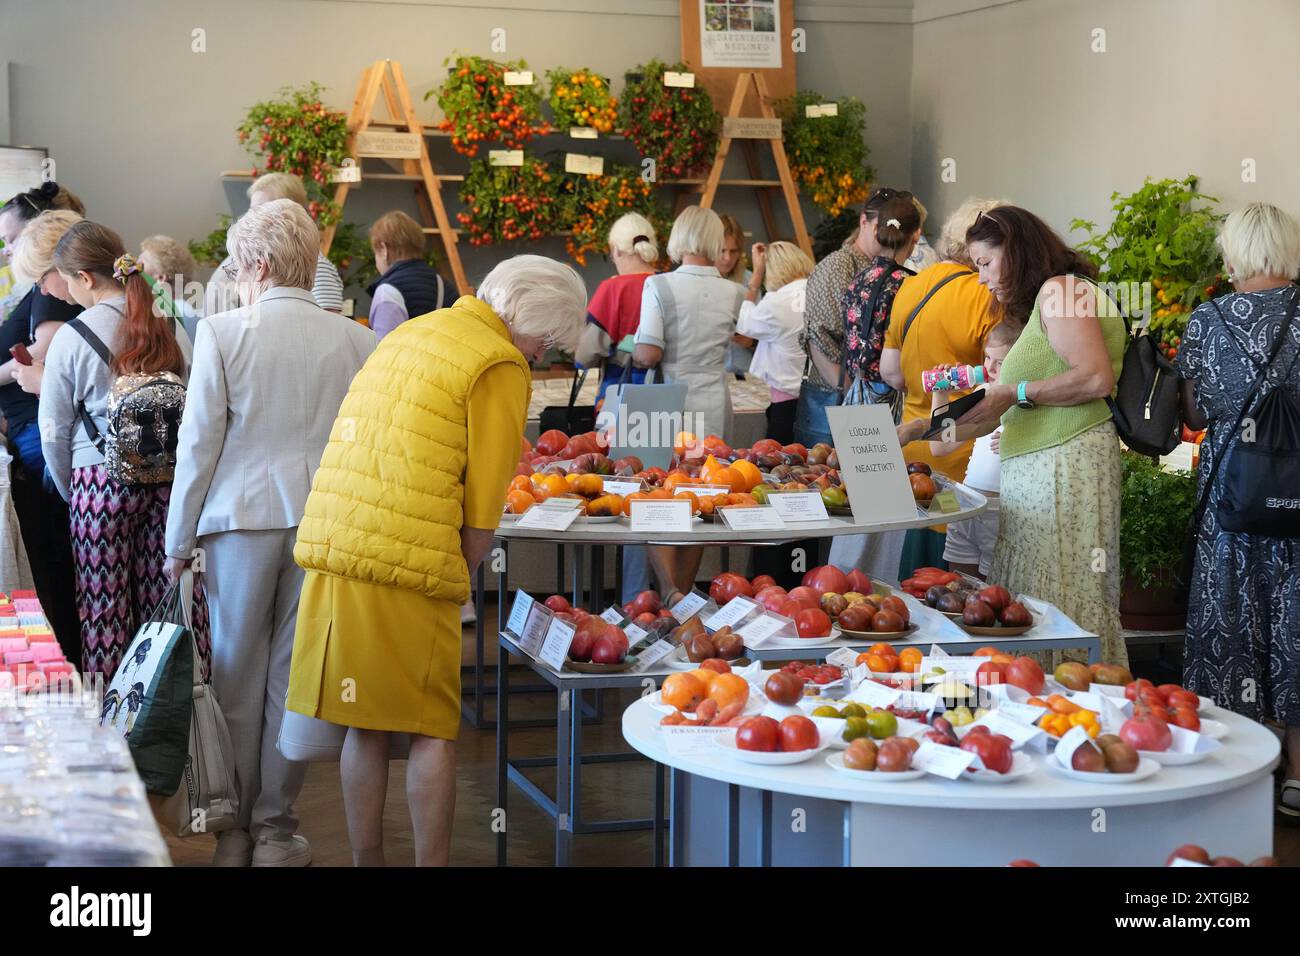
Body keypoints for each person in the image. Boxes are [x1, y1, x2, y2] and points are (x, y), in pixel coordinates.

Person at [287, 255, 585, 866]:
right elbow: (484, 503)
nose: (539, 351)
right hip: (408, 559)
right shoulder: (497, 361)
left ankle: (368, 860)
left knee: (364, 723)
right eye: (545, 338)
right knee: (431, 729)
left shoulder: (417, 330)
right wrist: (461, 575)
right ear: (527, 319)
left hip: (339, 542)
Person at [162, 199, 375, 867]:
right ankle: (277, 831)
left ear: (256, 265)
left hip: (240, 518)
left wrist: (176, 539)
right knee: (296, 678)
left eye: (236, 266)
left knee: (233, 672)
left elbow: (199, 446)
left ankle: (233, 834)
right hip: (326, 524)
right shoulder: (358, 339)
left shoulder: (223, 332)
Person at [951, 206, 1127, 668]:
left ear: (1015, 245)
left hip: (1065, 466)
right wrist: (921, 429)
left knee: (1063, 593)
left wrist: (1017, 390)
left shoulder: (1061, 289)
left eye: (986, 264)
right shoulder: (1053, 296)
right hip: (1046, 468)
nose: (984, 279)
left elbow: (1094, 379)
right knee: (1043, 597)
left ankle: (1073, 707)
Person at [1172, 202, 1300, 817]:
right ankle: (1299, 779)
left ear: (1236, 254)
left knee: (1232, 629)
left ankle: (1237, 775)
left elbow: (1194, 416)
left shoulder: (1209, 321)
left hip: (1234, 502)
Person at [38, 220, 209, 680]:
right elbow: (198, 402)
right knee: (171, 603)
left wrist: (73, 492)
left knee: (104, 609)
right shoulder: (170, 320)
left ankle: (114, 727)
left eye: (67, 281)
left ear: (86, 278)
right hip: (169, 481)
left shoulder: (72, 336)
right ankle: (177, 716)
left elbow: (53, 428)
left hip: (98, 485)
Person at [880, 197, 1006, 577]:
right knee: (961, 582)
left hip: (917, 446)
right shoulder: (985, 294)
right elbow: (1000, 382)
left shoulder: (912, 286)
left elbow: (891, 373)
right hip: (968, 458)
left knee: (917, 582)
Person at [633, 206, 742, 600]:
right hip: (713, 396)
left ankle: (666, 591)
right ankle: (685, 589)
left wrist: (630, 346)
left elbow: (647, 353)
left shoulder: (659, 286)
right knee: (703, 495)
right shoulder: (735, 291)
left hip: (668, 398)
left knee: (659, 491)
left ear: (679, 237)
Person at [822, 197, 919, 584]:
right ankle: (876, 592)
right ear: (915, 236)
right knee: (886, 511)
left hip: (855, 395)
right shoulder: (909, 286)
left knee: (855, 502)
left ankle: (837, 585)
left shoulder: (856, 281)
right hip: (890, 399)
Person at [2, 210, 83, 659]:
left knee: (55, 553)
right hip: (39, 431)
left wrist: (19, 375)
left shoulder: (57, 297)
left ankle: (66, 655)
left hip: (45, 433)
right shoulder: (52, 291)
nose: (40, 289)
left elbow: (45, 363)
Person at [897, 320, 1020, 579]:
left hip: (1001, 510)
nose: (989, 368)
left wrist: (1015, 444)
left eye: (1000, 361)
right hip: (967, 503)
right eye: (987, 358)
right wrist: (941, 393)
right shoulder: (982, 391)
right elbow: (940, 445)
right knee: (958, 583)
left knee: (991, 588)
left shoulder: (1023, 399)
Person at [795, 187, 912, 449]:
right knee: (828, 482)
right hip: (833, 405)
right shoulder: (840, 265)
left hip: (870, 403)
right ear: (864, 222)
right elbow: (818, 338)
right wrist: (856, 399)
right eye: (883, 225)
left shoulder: (885, 270)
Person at [206, 173, 344, 315]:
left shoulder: (313, 266)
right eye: (252, 210)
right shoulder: (246, 263)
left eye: (262, 210)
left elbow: (327, 327)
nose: (251, 218)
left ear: (290, 213)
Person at [573, 212, 659, 403]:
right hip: (664, 395)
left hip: (618, 396)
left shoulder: (612, 289)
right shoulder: (668, 283)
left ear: (617, 250)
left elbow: (585, 355)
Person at [735, 241, 813, 443]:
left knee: (780, 463)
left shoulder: (776, 302)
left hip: (786, 399)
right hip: (819, 395)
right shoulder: (820, 292)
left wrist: (755, 277)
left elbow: (744, 324)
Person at [365, 210, 448, 340]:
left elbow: (383, 351)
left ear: (384, 249)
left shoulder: (388, 292)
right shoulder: (443, 284)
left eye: (375, 252)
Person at [138, 235, 202, 343]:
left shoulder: (169, 314)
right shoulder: (186, 310)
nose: (135, 270)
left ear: (161, 278)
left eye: (141, 264)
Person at [717, 213, 754, 376]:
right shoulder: (699, 280)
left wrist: (752, 341)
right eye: (722, 250)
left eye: (733, 251)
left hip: (745, 371)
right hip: (713, 372)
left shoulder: (750, 280)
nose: (727, 258)